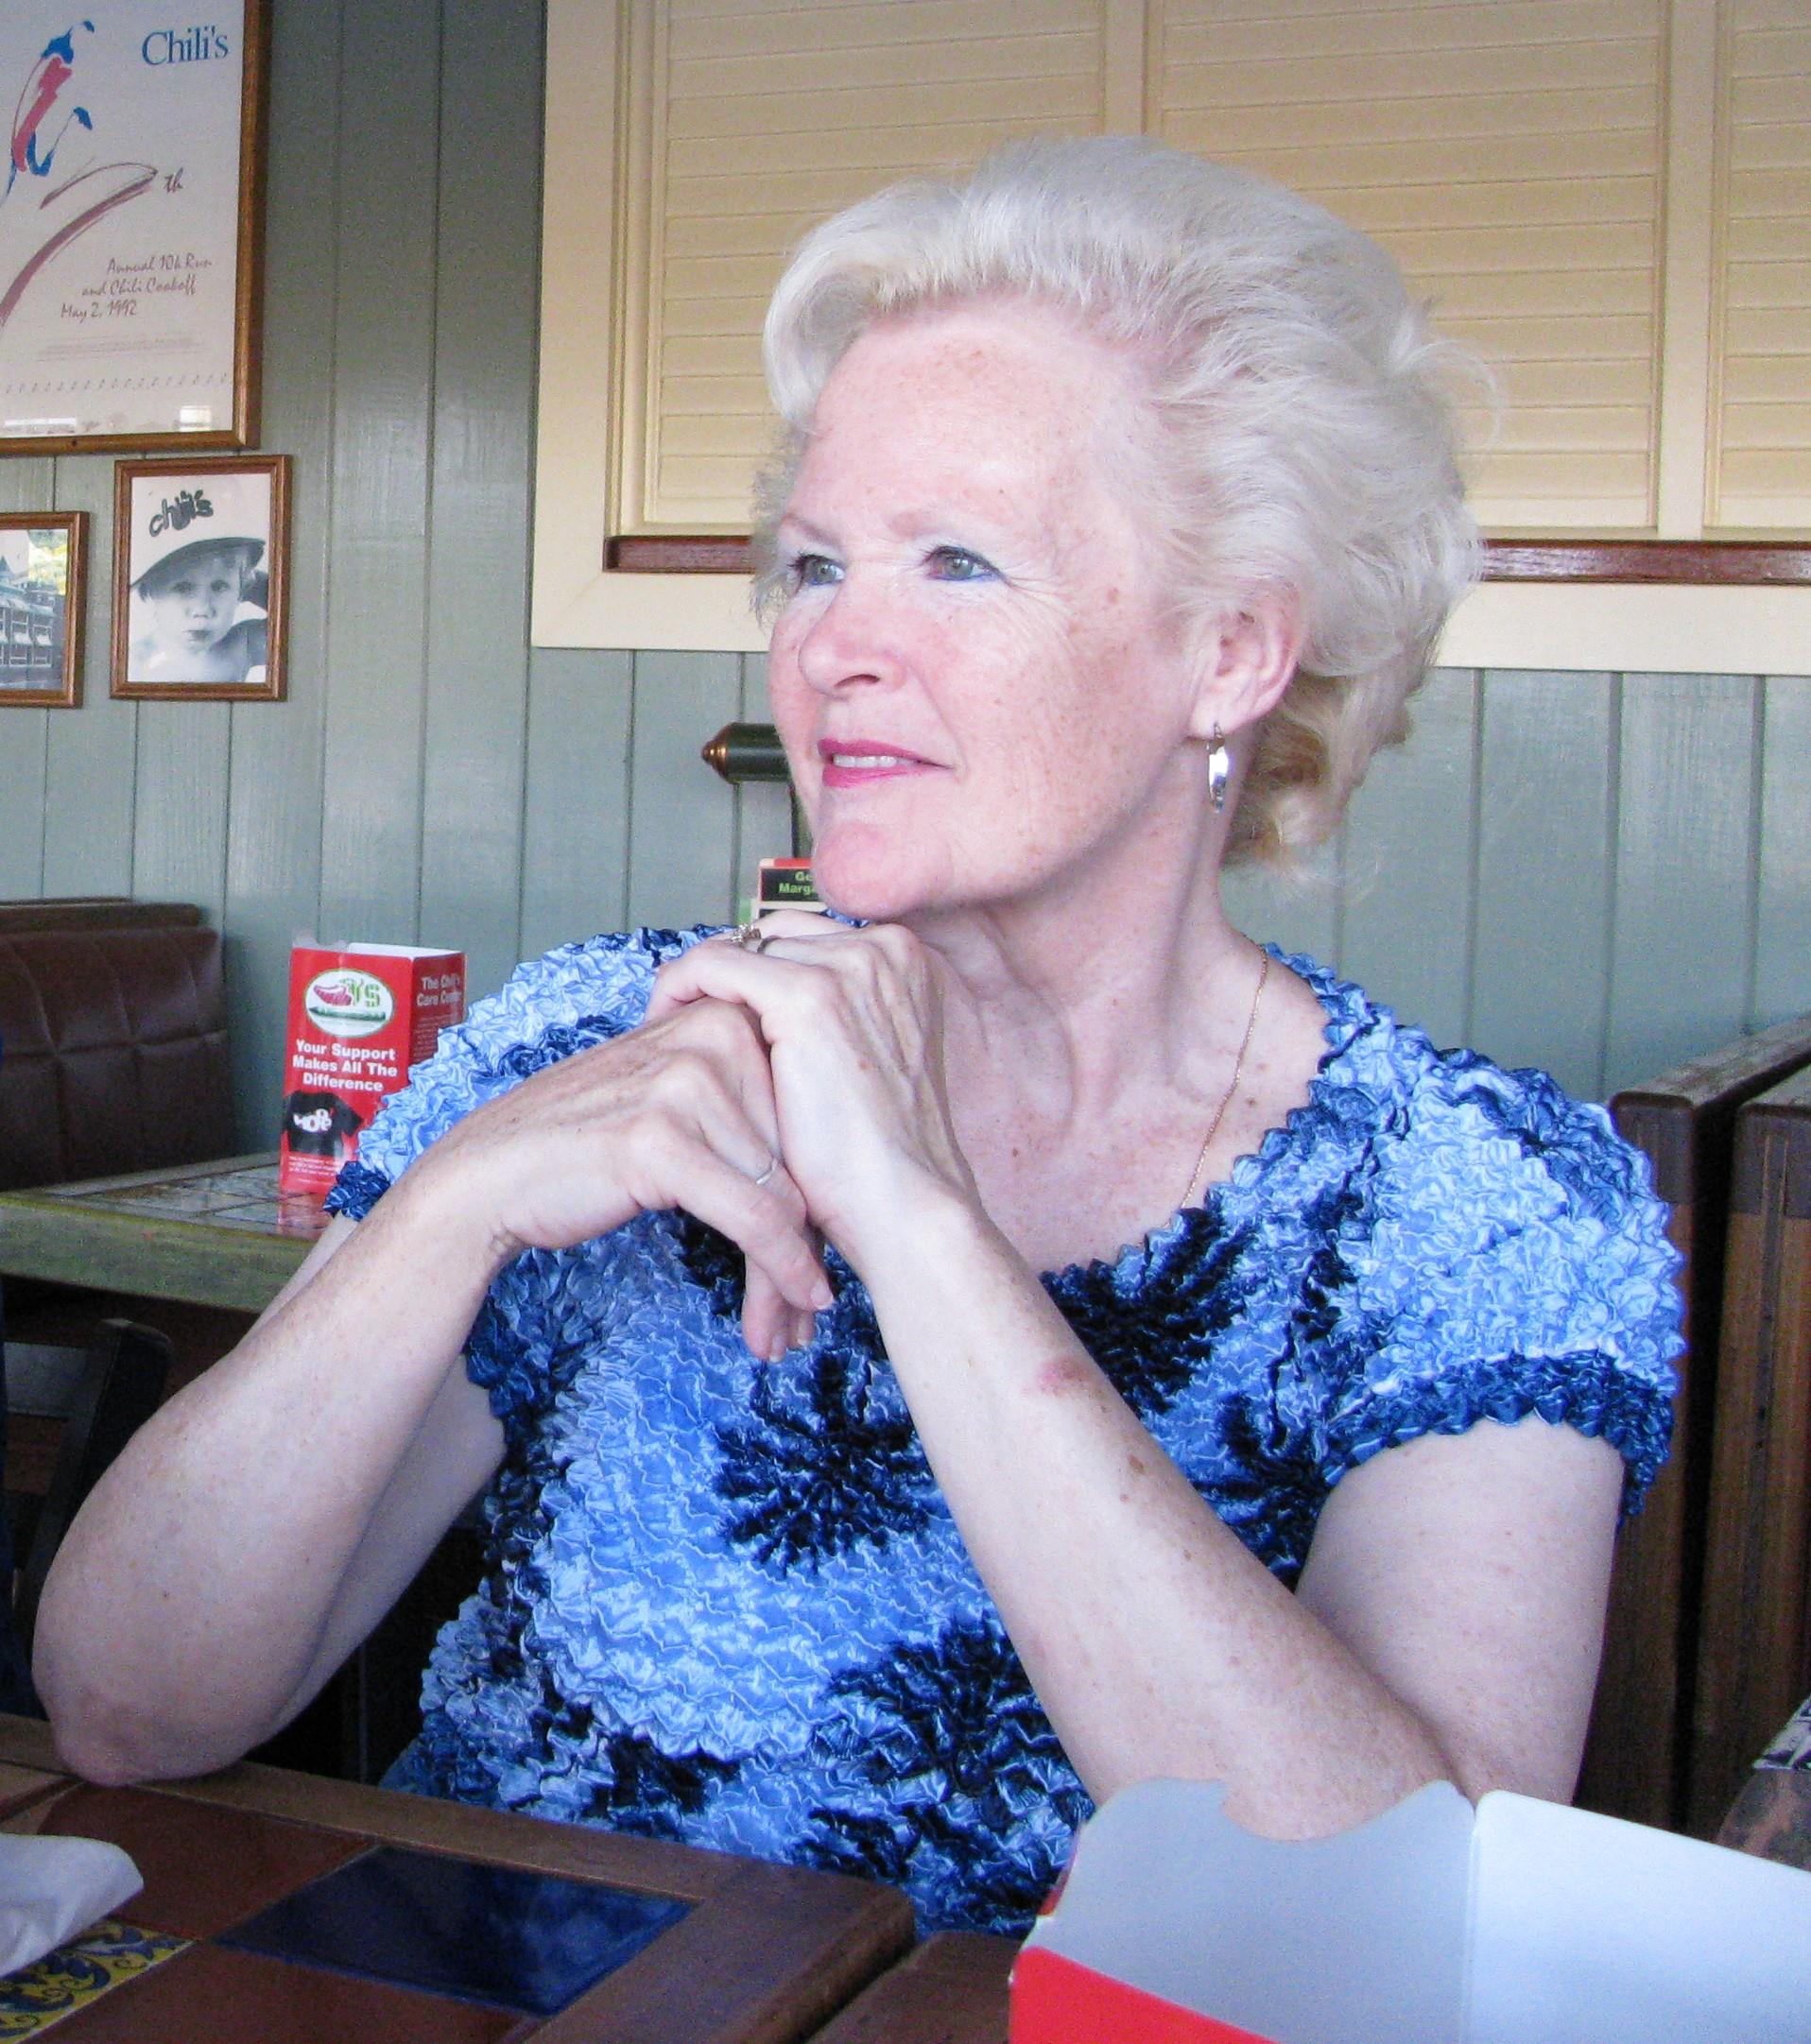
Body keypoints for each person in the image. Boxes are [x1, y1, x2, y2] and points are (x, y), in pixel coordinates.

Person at [36, 138, 1680, 1936]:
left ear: (1228, 653)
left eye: (957, 561)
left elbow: (1395, 1926)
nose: (833, 649)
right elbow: (126, 1706)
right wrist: (450, 1204)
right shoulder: (606, 1038)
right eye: (815, 562)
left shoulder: (1471, 1196)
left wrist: (918, 1218)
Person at [126, 474, 267, 687]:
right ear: (150, 590)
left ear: (244, 587)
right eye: (183, 587)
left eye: (219, 586)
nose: (202, 609)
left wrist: (248, 583)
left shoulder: (242, 645)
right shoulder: (135, 659)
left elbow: (302, 625)